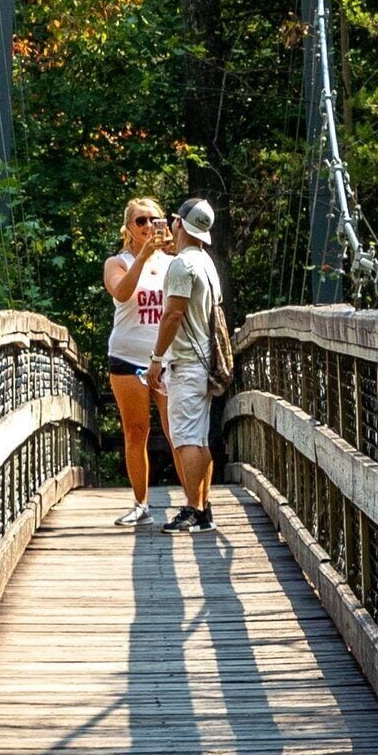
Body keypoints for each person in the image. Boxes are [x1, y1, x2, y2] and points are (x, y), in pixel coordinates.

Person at [144, 196, 230, 532]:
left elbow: (173, 314)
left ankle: (194, 510)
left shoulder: (182, 265)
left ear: (178, 223)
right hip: (204, 362)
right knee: (199, 438)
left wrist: (155, 360)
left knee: (185, 440)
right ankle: (203, 509)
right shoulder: (205, 261)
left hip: (186, 363)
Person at [101, 197, 171, 526]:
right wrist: (142, 257)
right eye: (141, 221)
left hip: (168, 359)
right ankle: (141, 504)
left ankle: (195, 508)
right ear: (129, 227)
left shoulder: (176, 262)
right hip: (127, 356)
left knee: (178, 433)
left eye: (154, 220)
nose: (147, 226)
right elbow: (122, 293)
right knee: (136, 431)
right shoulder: (118, 262)